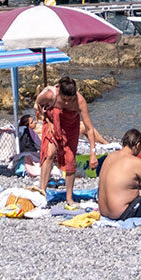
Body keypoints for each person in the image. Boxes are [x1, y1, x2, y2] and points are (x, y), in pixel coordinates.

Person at [37, 76, 98, 208]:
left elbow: (89, 128)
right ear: (59, 92)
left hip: (71, 127)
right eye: (64, 99)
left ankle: (69, 198)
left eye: (70, 100)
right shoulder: (49, 94)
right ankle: (42, 192)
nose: (66, 103)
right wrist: (47, 121)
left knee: (70, 160)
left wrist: (93, 152)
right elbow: (38, 105)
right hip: (53, 123)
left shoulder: (80, 101)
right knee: (49, 153)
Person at [98, 128, 141, 221]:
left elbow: (126, 180)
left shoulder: (110, 156)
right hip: (121, 214)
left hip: (104, 211)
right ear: (137, 145)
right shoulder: (135, 162)